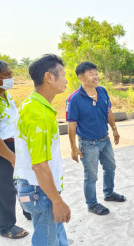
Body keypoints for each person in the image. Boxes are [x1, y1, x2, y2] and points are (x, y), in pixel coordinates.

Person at [13, 54, 71, 245]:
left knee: (57, 235)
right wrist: (56, 201)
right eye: (62, 75)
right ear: (49, 77)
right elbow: (39, 165)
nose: (66, 80)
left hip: (38, 188)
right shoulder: (38, 113)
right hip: (40, 190)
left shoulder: (33, 106)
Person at [66, 62, 125, 216]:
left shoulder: (102, 91)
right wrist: (73, 147)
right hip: (88, 143)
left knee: (110, 167)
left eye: (96, 73)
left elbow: (108, 111)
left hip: (105, 140)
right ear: (81, 77)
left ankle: (109, 192)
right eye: (91, 73)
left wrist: (114, 129)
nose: (96, 76)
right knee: (91, 175)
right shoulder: (74, 99)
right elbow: (71, 125)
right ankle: (92, 204)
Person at [0, 61, 29, 240]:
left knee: (22, 183)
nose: (11, 78)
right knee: (6, 188)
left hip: (15, 145)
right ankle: (6, 225)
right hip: (3, 149)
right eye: (7, 75)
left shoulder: (6, 96)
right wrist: (10, 156)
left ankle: (28, 210)